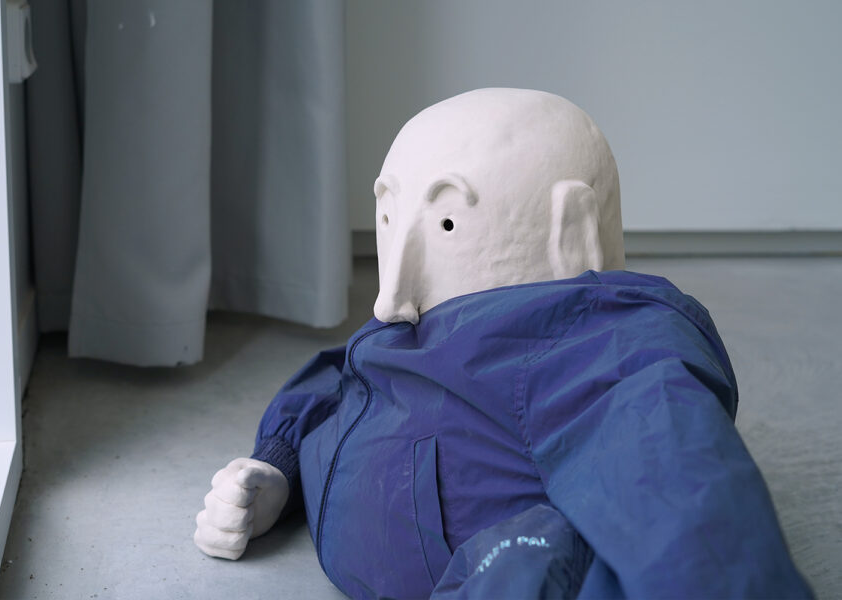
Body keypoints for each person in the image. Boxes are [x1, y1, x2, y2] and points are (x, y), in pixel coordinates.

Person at [194, 89, 812, 599]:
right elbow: (342, 381)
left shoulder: (603, 362)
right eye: (387, 219)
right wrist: (280, 467)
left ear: (572, 234)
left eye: (447, 225)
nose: (390, 298)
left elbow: (694, 518)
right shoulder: (412, 329)